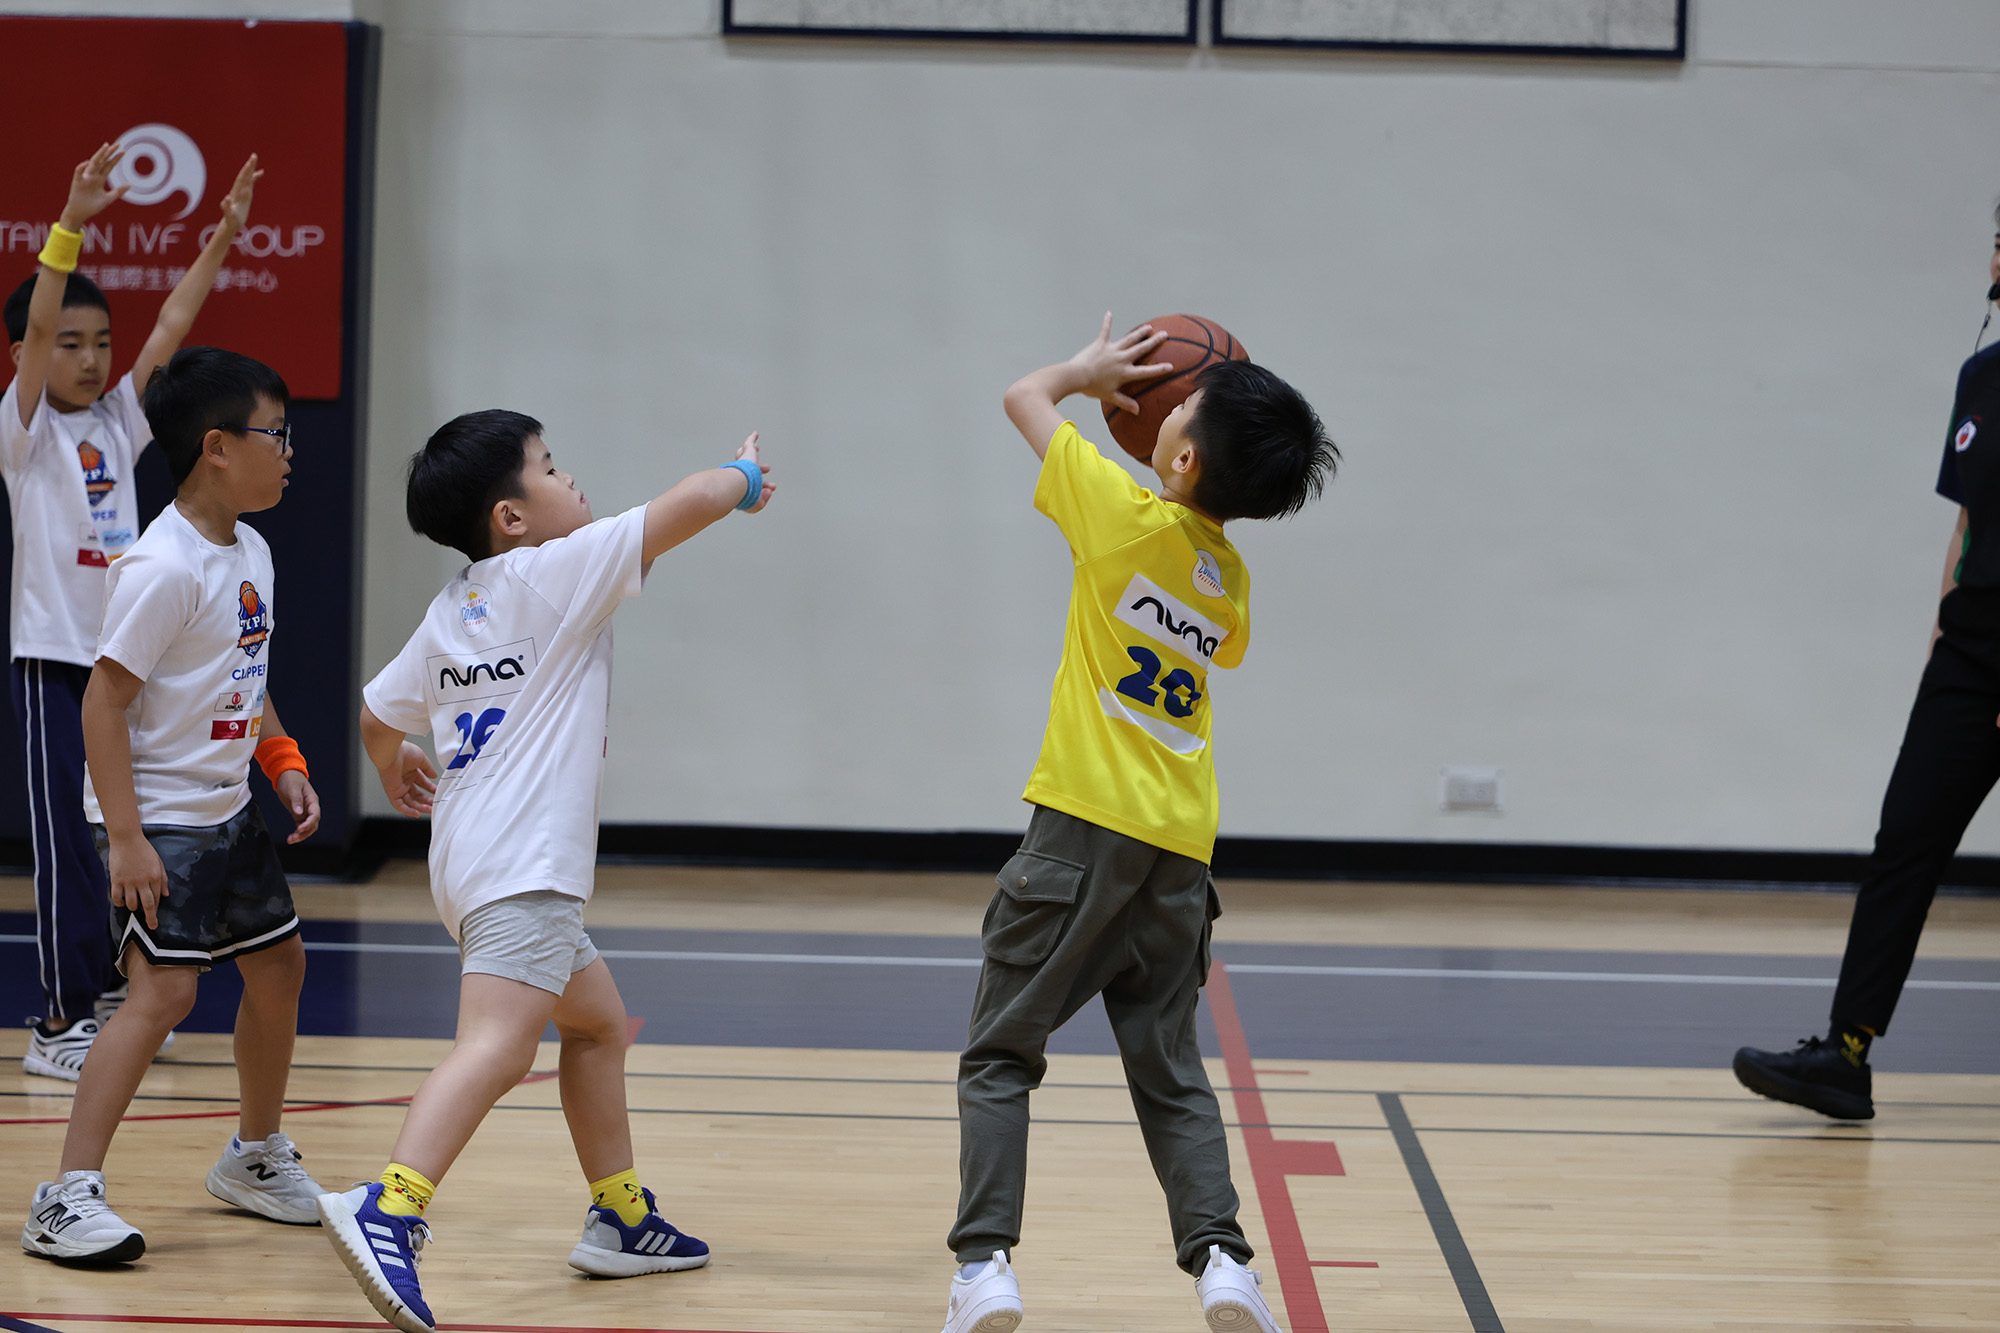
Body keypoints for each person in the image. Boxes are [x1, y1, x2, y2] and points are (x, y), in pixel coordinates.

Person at [317, 409, 775, 1333]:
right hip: (523, 865)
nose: (571, 479)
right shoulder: (558, 570)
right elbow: (688, 503)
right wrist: (746, 479)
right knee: (498, 1044)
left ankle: (621, 1217)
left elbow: (375, 712)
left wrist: (390, 764)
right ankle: (389, 1206)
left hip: (472, 864)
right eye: (551, 467)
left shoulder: (454, 609)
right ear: (511, 517)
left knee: (597, 1027)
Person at [942, 316, 1336, 1333]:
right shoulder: (1229, 582)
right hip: (1180, 853)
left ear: (1184, 453)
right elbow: (1214, 627)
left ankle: (984, 1267)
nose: (1164, 413)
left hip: (1081, 831)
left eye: (1179, 406)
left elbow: (1021, 397)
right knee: (1170, 1071)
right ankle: (1223, 1263)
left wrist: (1085, 374)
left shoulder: (1118, 513)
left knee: (999, 1055)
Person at [19, 346, 324, 1265]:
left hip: (227, 808)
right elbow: (101, 703)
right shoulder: (162, 565)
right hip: (158, 818)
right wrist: (125, 838)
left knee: (280, 967)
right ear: (217, 447)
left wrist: (281, 760)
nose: (289, 451)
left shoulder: (252, 550)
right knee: (164, 994)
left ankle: (254, 1156)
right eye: (276, 434)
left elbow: (246, 676)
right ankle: (65, 1195)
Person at [1734, 209, 2000, 1122]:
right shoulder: (1980, 377)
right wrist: (1942, 630)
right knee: (1905, 843)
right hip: (1969, 654)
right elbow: (1968, 521)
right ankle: (1845, 1056)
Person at [5, 141, 263, 1079]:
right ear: (29, 354)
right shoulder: (25, 430)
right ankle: (58, 1022)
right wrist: (70, 224)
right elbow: (39, 318)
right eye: (68, 344)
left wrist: (223, 237)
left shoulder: (119, 418)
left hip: (126, 666)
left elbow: (174, 321)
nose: (88, 358)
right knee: (68, 851)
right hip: (55, 662)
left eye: (100, 344)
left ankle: (115, 995)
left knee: (126, 836)